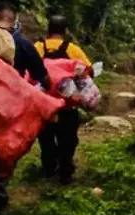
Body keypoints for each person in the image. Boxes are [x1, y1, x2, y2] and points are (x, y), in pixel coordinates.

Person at [0, 5, 53, 215]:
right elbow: (42, 76)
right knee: (6, 150)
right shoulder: (22, 44)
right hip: (9, 106)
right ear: (14, 20)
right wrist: (46, 89)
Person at [34, 15, 92, 185]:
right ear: (65, 32)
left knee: (45, 137)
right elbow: (88, 71)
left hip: (44, 104)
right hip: (67, 105)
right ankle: (65, 170)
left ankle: (49, 167)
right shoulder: (73, 49)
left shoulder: (38, 47)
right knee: (68, 139)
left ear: (48, 30)